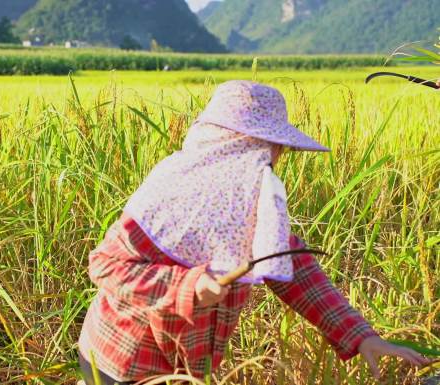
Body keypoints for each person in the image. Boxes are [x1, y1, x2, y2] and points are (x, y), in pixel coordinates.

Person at [77, 81, 429, 385]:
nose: (274, 156)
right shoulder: (168, 202)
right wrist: (191, 286)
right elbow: (106, 265)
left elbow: (294, 270)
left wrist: (361, 337)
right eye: (268, 147)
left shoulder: (249, 202)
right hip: (122, 361)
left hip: (188, 363)